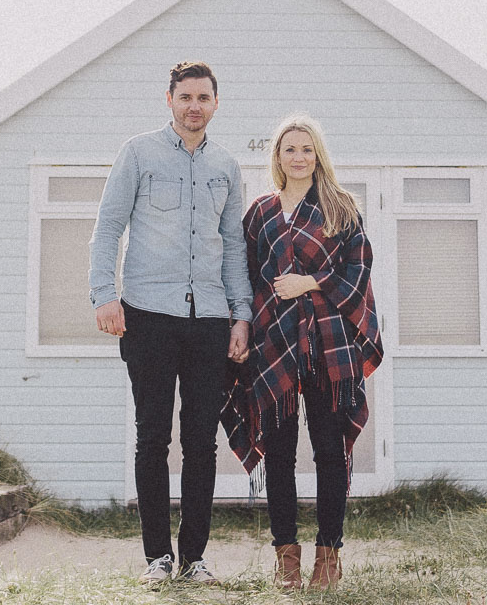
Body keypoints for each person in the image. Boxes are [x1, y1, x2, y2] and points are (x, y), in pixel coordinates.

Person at [90, 61, 250, 587]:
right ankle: (157, 557)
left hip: (207, 319)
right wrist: (104, 297)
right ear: (169, 99)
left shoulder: (226, 167)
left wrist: (240, 316)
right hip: (148, 316)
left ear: (215, 104)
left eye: (204, 97)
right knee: (152, 437)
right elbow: (109, 226)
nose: (194, 106)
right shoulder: (138, 153)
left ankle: (194, 557)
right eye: (186, 97)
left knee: (202, 442)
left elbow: (233, 251)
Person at [222, 114, 382, 591]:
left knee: (332, 454)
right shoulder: (261, 214)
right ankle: (286, 560)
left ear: (318, 155)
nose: (299, 157)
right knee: (280, 456)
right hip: (274, 349)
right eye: (289, 149)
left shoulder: (341, 208)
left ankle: (328, 560)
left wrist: (309, 282)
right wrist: (242, 325)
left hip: (331, 349)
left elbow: (359, 272)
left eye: (307, 149)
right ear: (277, 156)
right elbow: (247, 278)